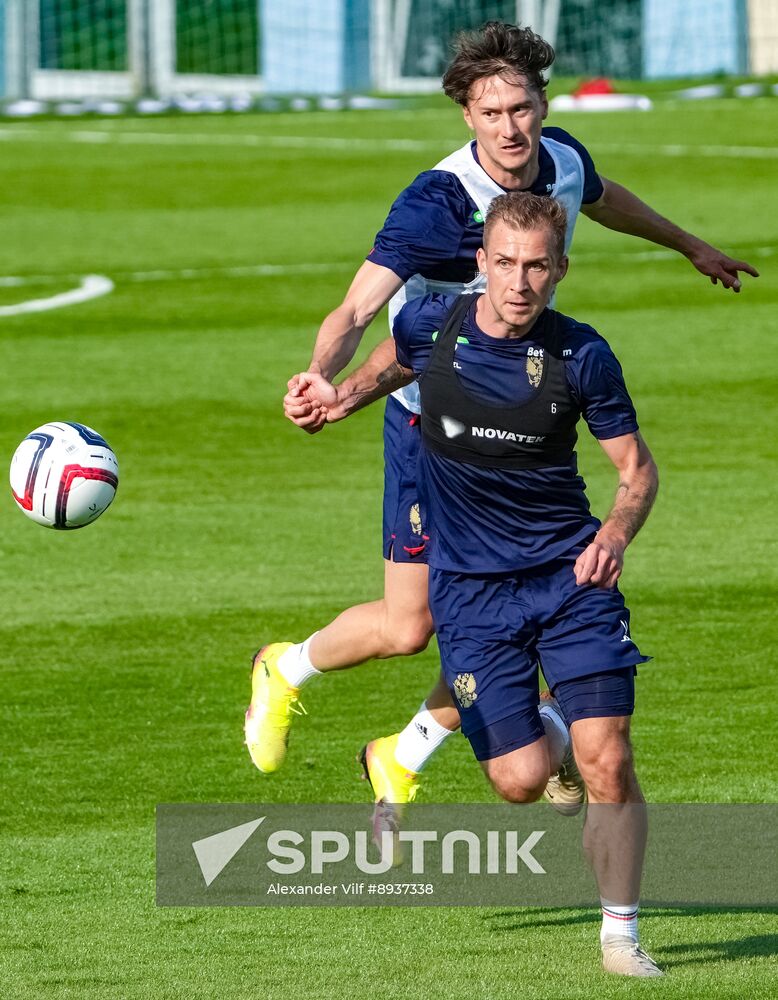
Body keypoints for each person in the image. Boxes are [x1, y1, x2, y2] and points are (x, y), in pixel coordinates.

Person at [244, 22, 756, 797]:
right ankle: (288, 667)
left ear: (542, 105)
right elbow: (356, 309)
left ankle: (416, 753)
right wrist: (321, 376)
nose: (510, 128)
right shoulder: (438, 202)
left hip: (522, 420)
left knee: (514, 598)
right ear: (468, 118)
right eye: (491, 114)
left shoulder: (562, 161)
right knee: (410, 626)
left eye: (520, 108)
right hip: (430, 426)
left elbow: (606, 196)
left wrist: (689, 245)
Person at [290, 192, 662, 977]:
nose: (520, 283)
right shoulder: (433, 326)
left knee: (609, 756)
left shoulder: (582, 355)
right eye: (504, 264)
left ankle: (621, 937)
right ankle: (547, 732)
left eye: (537, 267)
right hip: (471, 593)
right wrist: (336, 397)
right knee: (520, 781)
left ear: (559, 268)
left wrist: (615, 535)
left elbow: (635, 471)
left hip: (569, 578)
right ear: (481, 265)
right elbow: (385, 370)